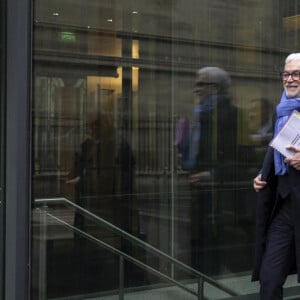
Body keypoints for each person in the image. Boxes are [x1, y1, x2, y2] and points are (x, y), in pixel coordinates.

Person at [252, 53, 300, 300]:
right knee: (269, 280)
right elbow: (275, 151)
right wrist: (263, 176)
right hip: (285, 206)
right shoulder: (280, 110)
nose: (290, 79)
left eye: (296, 74)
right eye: (286, 74)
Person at [185, 66, 238, 274]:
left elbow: (239, 160)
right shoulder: (200, 114)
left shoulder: (228, 115)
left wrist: (209, 175)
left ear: (215, 88)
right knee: (200, 242)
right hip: (200, 192)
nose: (196, 89)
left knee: (212, 246)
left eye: (201, 84)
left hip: (219, 195)